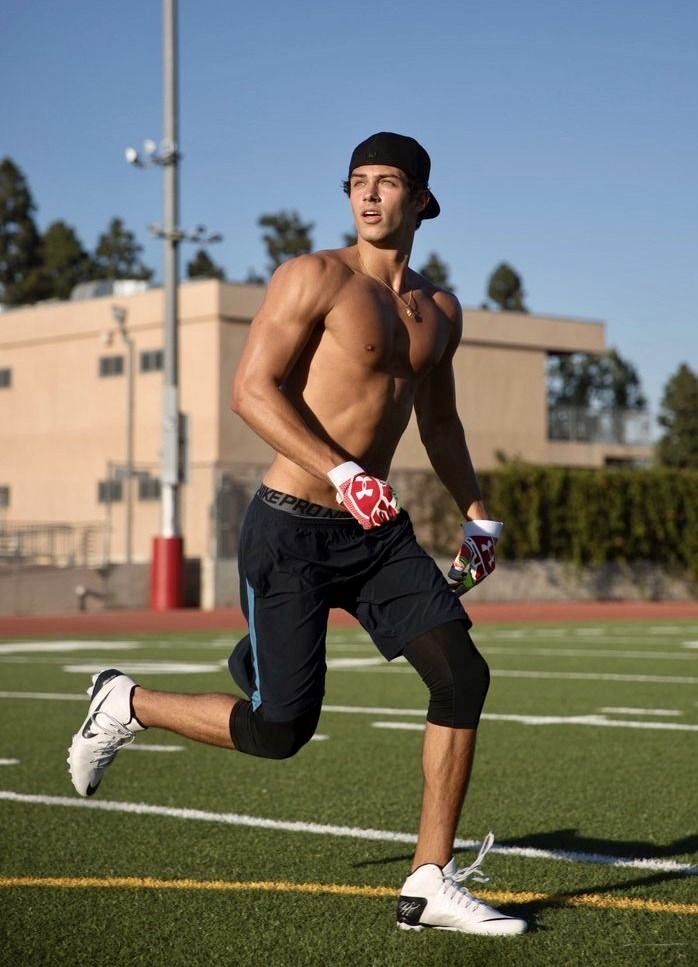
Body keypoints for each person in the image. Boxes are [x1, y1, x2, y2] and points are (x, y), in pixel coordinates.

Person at [67, 132, 526, 937]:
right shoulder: (314, 276)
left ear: (423, 201)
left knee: (462, 675)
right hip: (292, 527)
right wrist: (343, 471)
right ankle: (124, 701)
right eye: (358, 183)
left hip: (376, 536)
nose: (370, 196)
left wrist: (478, 511)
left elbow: (441, 421)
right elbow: (252, 392)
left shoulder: (437, 312)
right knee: (280, 729)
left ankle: (427, 881)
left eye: (388, 183)